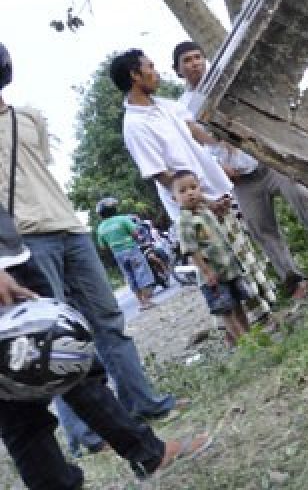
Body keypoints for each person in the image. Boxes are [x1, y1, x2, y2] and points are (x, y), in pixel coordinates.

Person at [0, 43, 211, 487]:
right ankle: (120, 450)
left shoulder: (27, 118)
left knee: (66, 356)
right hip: (13, 256)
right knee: (25, 393)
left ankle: (145, 450)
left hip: (21, 249)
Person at [173, 41, 308, 297]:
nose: (195, 63)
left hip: (268, 160)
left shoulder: (226, 83)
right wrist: (218, 167)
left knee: (307, 200)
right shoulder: (181, 107)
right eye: (187, 60)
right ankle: (294, 280)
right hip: (241, 179)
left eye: (198, 57)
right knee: (261, 229)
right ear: (177, 70)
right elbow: (195, 147)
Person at [110, 49, 277, 335]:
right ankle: (238, 333)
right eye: (150, 67)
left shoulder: (164, 104)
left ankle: (259, 317)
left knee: (236, 257)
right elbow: (161, 174)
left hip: (215, 191)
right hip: (194, 207)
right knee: (215, 270)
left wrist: (223, 143)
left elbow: (193, 130)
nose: (156, 71)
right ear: (135, 76)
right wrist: (201, 201)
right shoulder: (135, 125)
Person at [173, 170, 272, 344]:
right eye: (182, 191)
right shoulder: (185, 221)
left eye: (193, 187)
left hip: (229, 269)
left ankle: (250, 336)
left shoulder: (204, 210)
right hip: (213, 275)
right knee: (226, 309)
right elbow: (191, 249)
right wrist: (206, 271)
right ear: (175, 199)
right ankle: (243, 342)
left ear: (200, 190)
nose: (190, 193)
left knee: (238, 303)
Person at [94, 198, 156, 311]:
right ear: (113, 209)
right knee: (140, 273)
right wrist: (137, 239)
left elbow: (103, 246)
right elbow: (135, 233)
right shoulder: (122, 219)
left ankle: (141, 303)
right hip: (131, 250)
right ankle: (147, 301)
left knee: (130, 276)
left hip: (118, 254)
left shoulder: (101, 227)